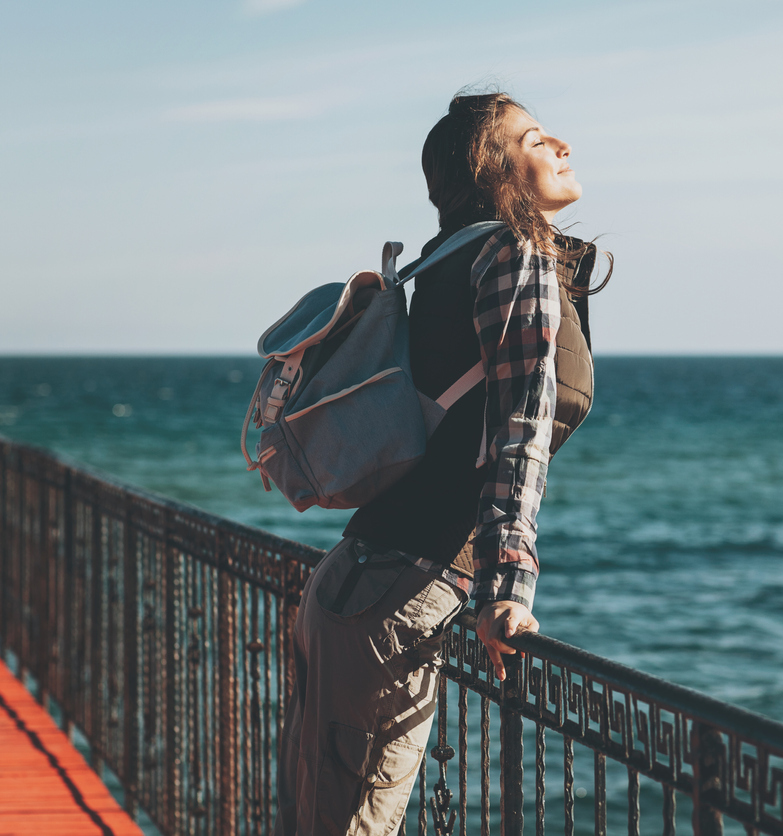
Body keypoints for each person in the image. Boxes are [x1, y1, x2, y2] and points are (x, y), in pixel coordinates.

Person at [273, 91, 607, 836]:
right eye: (535, 137)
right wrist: (505, 590)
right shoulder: (512, 255)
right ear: (497, 165)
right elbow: (516, 434)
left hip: (355, 588)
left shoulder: (443, 261)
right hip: (395, 600)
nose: (562, 145)